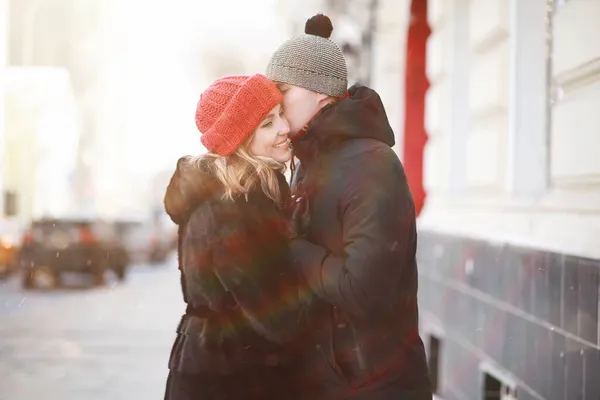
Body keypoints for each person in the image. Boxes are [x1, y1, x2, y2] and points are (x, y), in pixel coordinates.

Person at [265, 14, 433, 399]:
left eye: (283, 90)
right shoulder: (308, 162)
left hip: (375, 384)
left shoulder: (372, 165)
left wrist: (287, 244)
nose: (274, 102)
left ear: (320, 92)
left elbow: (363, 291)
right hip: (328, 380)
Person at [163, 74, 311, 400]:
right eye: (267, 124)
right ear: (241, 140)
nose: (285, 129)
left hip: (215, 369)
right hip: (233, 378)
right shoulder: (239, 207)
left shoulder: (229, 196)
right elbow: (282, 318)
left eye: (281, 115)